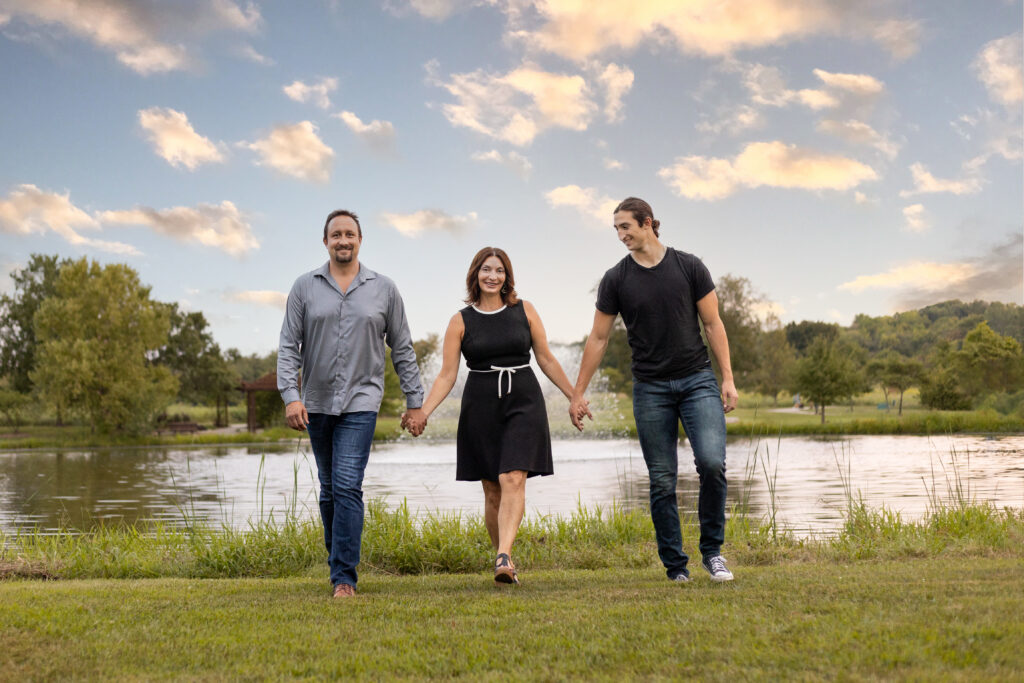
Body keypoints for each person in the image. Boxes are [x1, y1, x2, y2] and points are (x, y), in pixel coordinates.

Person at [569, 197, 739, 583]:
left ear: (648, 223)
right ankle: (676, 566)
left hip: (697, 379)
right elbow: (598, 338)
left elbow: (713, 324)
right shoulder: (616, 279)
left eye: (625, 226)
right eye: (616, 229)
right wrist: (578, 393)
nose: (620, 235)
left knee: (712, 464)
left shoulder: (689, 266)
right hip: (650, 388)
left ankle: (712, 553)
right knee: (662, 478)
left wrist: (726, 378)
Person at [278, 209, 426, 599]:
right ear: (325, 241)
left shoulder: (384, 289)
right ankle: (337, 562)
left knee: (347, 485)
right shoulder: (304, 287)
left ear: (360, 240)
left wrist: (415, 402)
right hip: (316, 403)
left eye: (350, 234)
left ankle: (344, 577)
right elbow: (288, 347)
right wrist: (291, 397)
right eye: (336, 235)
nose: (343, 240)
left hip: (362, 400)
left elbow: (403, 347)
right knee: (328, 489)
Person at [414, 247, 576, 585]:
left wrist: (574, 396)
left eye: (499, 270)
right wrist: (424, 412)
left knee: (512, 477)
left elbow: (545, 358)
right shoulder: (460, 321)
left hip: (523, 399)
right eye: (486, 269)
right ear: (475, 274)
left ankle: (503, 555)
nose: (493, 276)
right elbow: (446, 375)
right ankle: (505, 560)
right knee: (491, 489)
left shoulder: (525, 310)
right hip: (481, 404)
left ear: (507, 276)